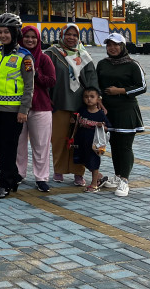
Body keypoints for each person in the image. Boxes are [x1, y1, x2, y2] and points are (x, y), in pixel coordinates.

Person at [0, 13, 35, 199]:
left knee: (9, 148)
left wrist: (23, 110)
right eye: (0, 32)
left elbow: (29, 86)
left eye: (7, 32)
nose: (3, 35)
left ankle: (4, 184)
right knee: (0, 147)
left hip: (14, 112)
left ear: (15, 33)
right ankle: (13, 177)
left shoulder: (25, 56)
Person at [45, 23, 99, 187]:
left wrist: (94, 101)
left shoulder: (84, 56)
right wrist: (47, 98)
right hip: (59, 102)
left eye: (75, 35)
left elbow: (91, 80)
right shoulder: (51, 53)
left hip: (80, 104)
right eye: (68, 34)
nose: (71, 38)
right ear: (62, 35)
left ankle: (78, 172)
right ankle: (59, 170)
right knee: (59, 139)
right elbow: (45, 77)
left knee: (80, 141)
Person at [96, 32, 147, 197]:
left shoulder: (132, 65)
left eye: (116, 44)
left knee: (125, 146)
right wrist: (98, 99)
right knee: (115, 146)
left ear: (123, 46)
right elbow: (96, 84)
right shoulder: (103, 64)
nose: (112, 48)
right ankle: (117, 176)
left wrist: (121, 91)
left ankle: (124, 180)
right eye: (109, 45)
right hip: (108, 110)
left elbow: (142, 87)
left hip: (126, 110)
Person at [16, 25, 57, 192]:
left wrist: (36, 74)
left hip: (40, 107)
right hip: (17, 106)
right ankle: (19, 173)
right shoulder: (15, 57)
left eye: (34, 37)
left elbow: (52, 81)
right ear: (21, 38)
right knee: (18, 144)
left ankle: (41, 177)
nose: (30, 40)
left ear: (38, 40)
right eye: (27, 36)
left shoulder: (44, 58)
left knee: (40, 144)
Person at [72, 87, 112, 193]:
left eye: (92, 97)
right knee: (83, 160)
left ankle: (94, 184)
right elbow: (76, 122)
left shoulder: (100, 114)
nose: (89, 99)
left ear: (98, 99)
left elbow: (108, 127)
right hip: (81, 141)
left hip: (94, 144)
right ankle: (99, 177)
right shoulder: (82, 110)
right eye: (86, 97)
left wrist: (100, 125)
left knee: (94, 162)